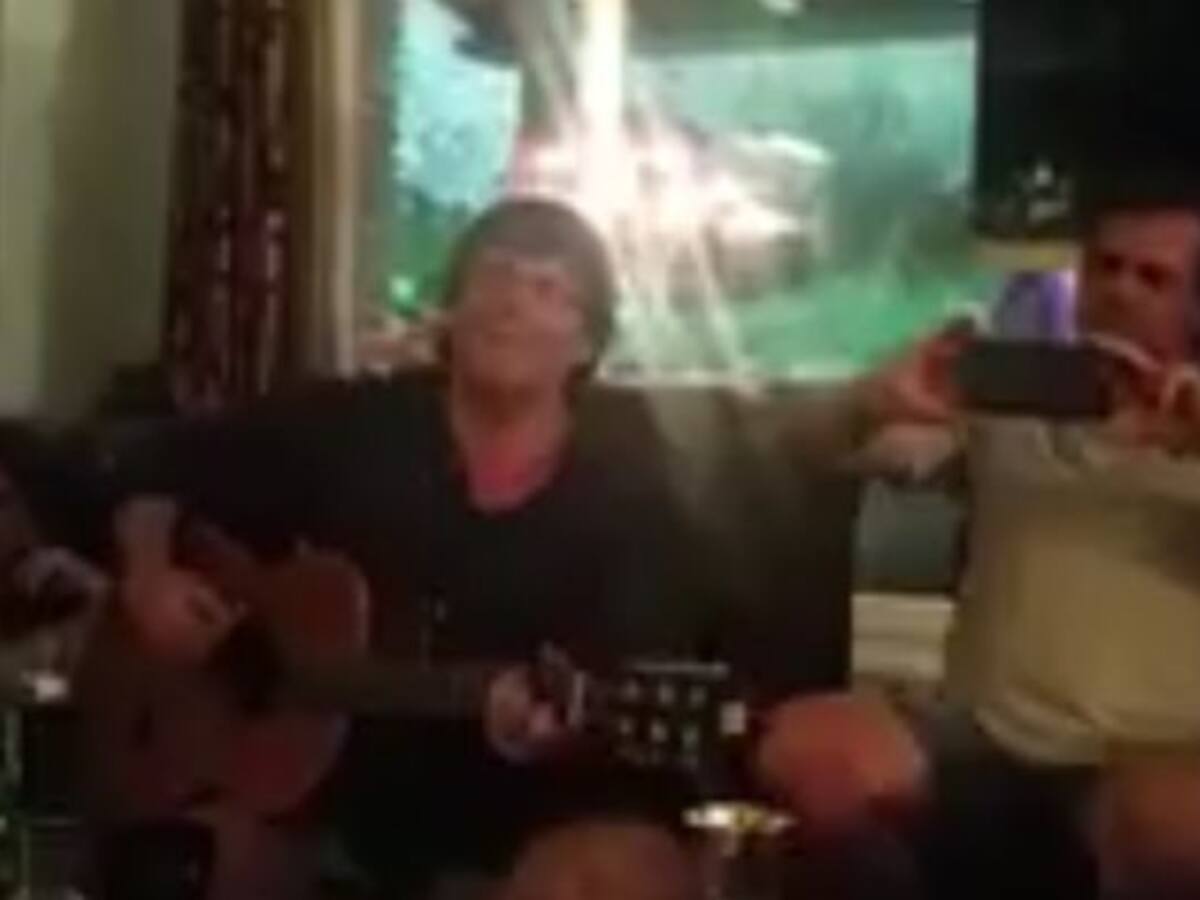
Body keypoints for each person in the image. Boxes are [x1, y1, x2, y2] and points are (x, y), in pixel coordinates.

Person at [106, 197, 716, 898]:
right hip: (318, 807)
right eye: (493, 276)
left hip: (528, 815)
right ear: (451, 312)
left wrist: (559, 727)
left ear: (585, 343)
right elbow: (152, 468)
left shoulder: (632, 487)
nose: (510, 303)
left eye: (548, 289)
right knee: (174, 866)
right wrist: (148, 576)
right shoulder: (354, 425)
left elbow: (633, 667)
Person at [755, 184, 1200, 897]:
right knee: (807, 750)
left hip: (1163, 753)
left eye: (1153, 278)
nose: (1120, 290)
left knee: (1164, 819)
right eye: (1105, 267)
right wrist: (869, 400)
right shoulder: (1004, 408)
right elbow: (800, 451)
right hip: (984, 738)